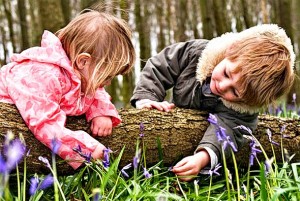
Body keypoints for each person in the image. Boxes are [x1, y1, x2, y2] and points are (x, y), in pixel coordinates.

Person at [130, 24, 295, 181]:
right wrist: (147, 99)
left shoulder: (242, 110)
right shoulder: (196, 53)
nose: (222, 86)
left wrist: (203, 157)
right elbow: (160, 67)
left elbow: (228, 131)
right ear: (229, 51)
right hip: (174, 116)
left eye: (235, 92)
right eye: (226, 73)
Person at [0, 9, 135, 169]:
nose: (106, 84)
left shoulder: (79, 74)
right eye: (107, 77)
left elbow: (94, 89)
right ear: (83, 61)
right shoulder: (43, 76)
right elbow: (44, 123)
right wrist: (86, 149)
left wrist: (101, 112)